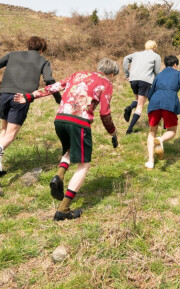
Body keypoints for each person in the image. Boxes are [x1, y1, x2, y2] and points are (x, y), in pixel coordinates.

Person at [14, 58, 119, 220]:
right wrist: (112, 132)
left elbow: (53, 87)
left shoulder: (78, 74)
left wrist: (29, 96)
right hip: (79, 122)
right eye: (114, 76)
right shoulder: (106, 83)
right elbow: (105, 113)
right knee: (84, 164)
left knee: (70, 149)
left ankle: (59, 176)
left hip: (60, 119)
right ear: (111, 73)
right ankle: (63, 210)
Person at [0, 36, 61, 179]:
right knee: (11, 135)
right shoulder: (43, 61)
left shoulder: (12, 54)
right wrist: (59, 99)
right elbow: (49, 80)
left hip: (4, 95)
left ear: (28, 46)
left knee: (4, 130)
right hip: (21, 98)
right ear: (41, 49)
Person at [144, 55, 180, 169]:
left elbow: (151, 92)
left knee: (152, 131)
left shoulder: (159, 75)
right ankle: (161, 139)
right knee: (172, 131)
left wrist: (153, 103)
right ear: (175, 65)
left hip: (154, 102)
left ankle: (150, 162)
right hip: (169, 103)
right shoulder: (179, 73)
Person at [123, 40, 161, 135]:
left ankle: (130, 107)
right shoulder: (156, 56)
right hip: (145, 81)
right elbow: (156, 71)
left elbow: (125, 59)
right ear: (154, 48)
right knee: (140, 105)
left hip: (133, 79)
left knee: (138, 100)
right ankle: (129, 129)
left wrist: (127, 73)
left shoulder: (136, 54)